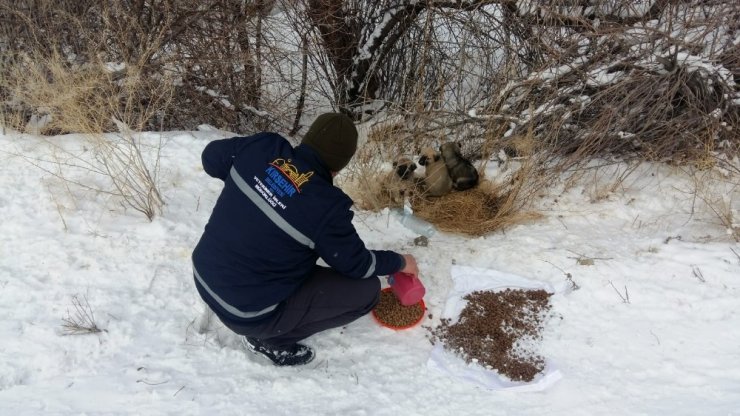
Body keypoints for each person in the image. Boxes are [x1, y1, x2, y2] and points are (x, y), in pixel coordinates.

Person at [191, 112, 420, 366]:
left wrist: (259, 181)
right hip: (249, 314)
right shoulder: (325, 206)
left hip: (204, 275)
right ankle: (269, 340)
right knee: (366, 291)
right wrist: (400, 262)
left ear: (309, 138)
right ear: (340, 165)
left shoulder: (262, 148)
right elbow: (357, 265)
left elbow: (210, 157)